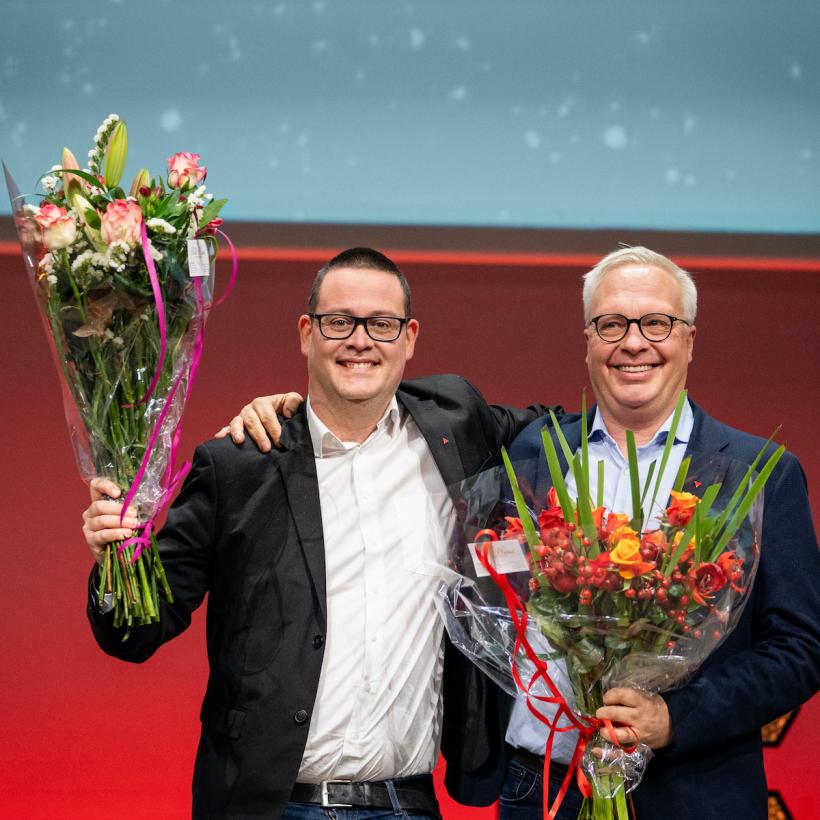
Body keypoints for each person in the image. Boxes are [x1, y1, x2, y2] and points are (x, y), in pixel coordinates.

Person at [232, 247, 820, 820]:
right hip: (534, 787)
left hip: (689, 788)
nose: (633, 342)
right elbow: (373, 392)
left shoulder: (756, 473)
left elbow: (800, 650)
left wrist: (675, 718)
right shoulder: (532, 449)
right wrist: (290, 409)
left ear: (689, 340)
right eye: (610, 324)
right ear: (588, 340)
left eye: (657, 323)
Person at [82, 247, 553, 819]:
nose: (361, 340)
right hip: (268, 806)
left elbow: (572, 429)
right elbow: (133, 633)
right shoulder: (239, 464)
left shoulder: (456, 424)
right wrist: (117, 561)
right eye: (339, 322)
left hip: (406, 803)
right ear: (307, 333)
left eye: (381, 324)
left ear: (409, 338)